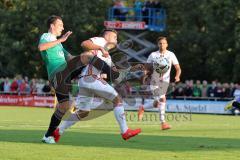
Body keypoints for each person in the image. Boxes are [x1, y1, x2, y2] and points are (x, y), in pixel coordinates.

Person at [53, 29, 141, 142]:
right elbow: (84, 44)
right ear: (107, 35)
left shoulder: (107, 56)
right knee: (117, 100)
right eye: (115, 37)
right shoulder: (101, 41)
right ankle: (125, 131)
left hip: (85, 80)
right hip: (91, 79)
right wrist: (100, 48)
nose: (116, 40)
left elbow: (114, 73)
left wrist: (132, 68)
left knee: (83, 112)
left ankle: (58, 131)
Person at [138, 36, 181, 130]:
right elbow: (146, 67)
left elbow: (178, 68)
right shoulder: (153, 55)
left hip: (165, 81)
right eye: (160, 43)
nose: (162, 45)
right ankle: (163, 123)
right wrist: (144, 75)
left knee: (157, 103)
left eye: (164, 43)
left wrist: (177, 76)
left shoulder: (171, 54)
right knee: (162, 99)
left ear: (167, 44)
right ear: (158, 44)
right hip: (154, 80)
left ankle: (142, 107)